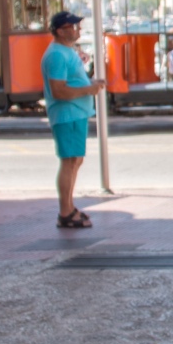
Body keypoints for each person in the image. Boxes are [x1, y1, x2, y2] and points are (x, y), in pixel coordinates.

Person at [41, 11, 105, 229]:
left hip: (75, 113)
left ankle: (68, 207)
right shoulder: (57, 55)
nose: (78, 30)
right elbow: (58, 90)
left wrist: (90, 84)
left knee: (75, 161)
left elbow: (71, 81)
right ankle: (65, 211)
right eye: (73, 26)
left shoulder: (66, 52)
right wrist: (89, 88)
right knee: (69, 162)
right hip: (67, 114)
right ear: (60, 31)